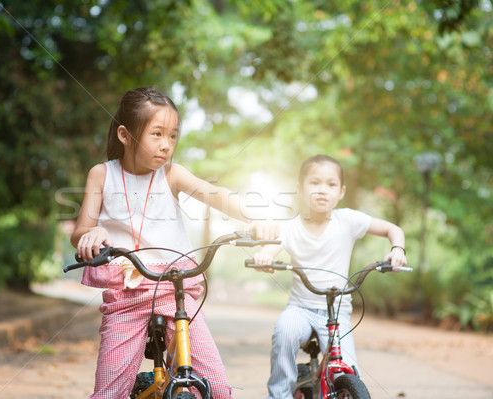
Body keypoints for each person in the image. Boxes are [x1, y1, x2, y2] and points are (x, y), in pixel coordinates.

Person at [71, 87, 277, 399]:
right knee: (109, 393)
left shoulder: (172, 175)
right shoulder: (102, 175)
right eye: (157, 134)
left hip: (175, 290)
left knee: (217, 390)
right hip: (126, 294)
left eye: (173, 136)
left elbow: (218, 196)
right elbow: (80, 231)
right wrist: (94, 233)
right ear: (125, 135)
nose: (166, 145)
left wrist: (256, 217)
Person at [253, 154, 407, 399]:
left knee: (346, 372)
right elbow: (271, 247)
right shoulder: (290, 227)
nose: (322, 190)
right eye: (314, 183)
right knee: (285, 331)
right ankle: (279, 394)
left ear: (341, 191)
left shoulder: (348, 220)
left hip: (337, 313)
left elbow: (392, 229)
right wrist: (265, 256)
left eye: (331, 184)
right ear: (300, 189)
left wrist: (397, 249)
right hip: (300, 308)